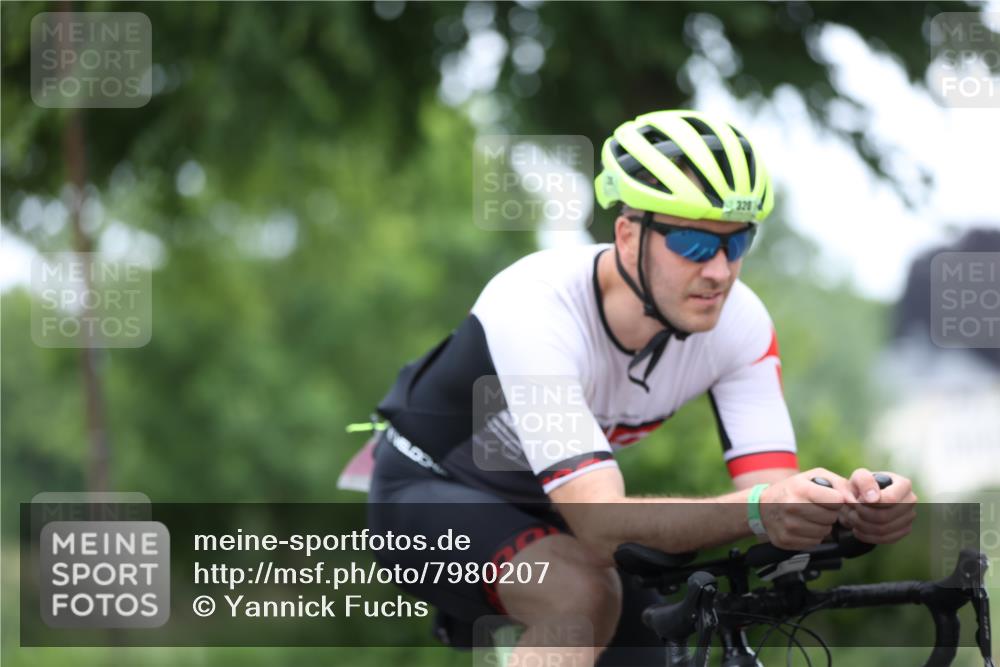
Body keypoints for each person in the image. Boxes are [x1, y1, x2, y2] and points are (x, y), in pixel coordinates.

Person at [362, 109, 918, 666]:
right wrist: (763, 508)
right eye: (694, 244)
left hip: (553, 509)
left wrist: (851, 509)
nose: (720, 271)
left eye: (737, 241)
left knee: (662, 646)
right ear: (628, 237)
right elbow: (602, 524)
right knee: (579, 598)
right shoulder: (533, 304)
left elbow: (773, 497)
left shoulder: (740, 323)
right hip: (428, 491)